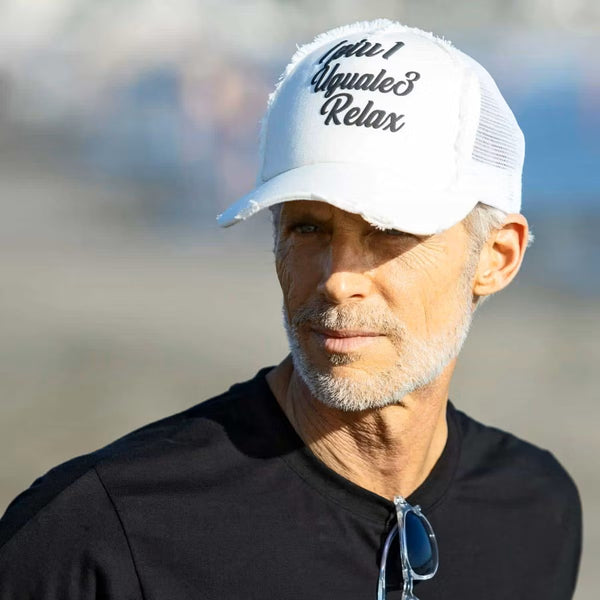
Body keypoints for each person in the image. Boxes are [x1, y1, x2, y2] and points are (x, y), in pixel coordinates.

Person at [0, 19, 582, 600]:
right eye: (307, 227)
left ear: (496, 258)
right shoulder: (97, 536)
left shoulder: (534, 513)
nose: (338, 279)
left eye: (389, 230)